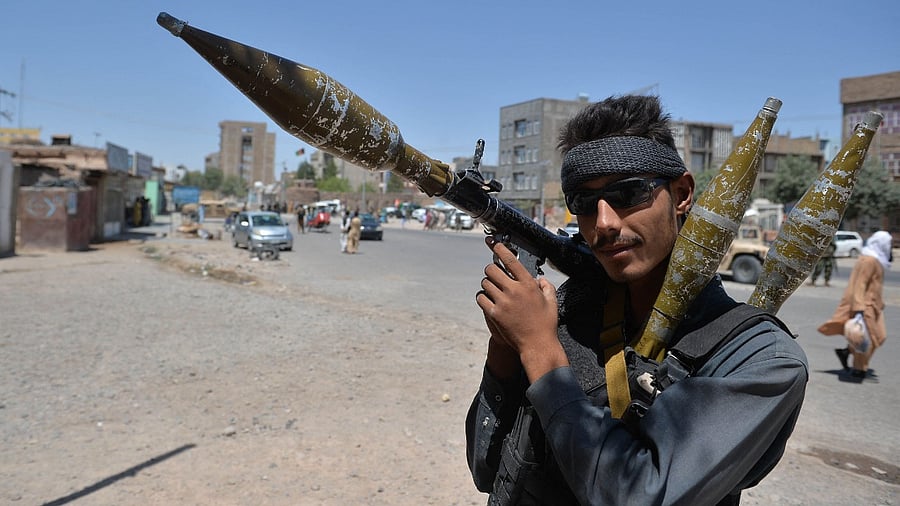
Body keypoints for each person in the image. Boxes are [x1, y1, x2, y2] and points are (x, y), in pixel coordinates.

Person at [467, 95, 808, 505]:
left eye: (628, 194)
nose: (605, 223)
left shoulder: (759, 360)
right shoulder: (570, 311)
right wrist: (506, 347)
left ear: (681, 193)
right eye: (585, 204)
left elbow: (639, 494)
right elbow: (488, 471)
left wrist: (538, 351)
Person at [817, 230, 892, 382]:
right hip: (866, 306)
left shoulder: (875, 258)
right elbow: (860, 284)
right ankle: (859, 369)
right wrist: (859, 309)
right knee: (867, 338)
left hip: (875, 306)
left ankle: (846, 352)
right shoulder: (868, 260)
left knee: (880, 337)